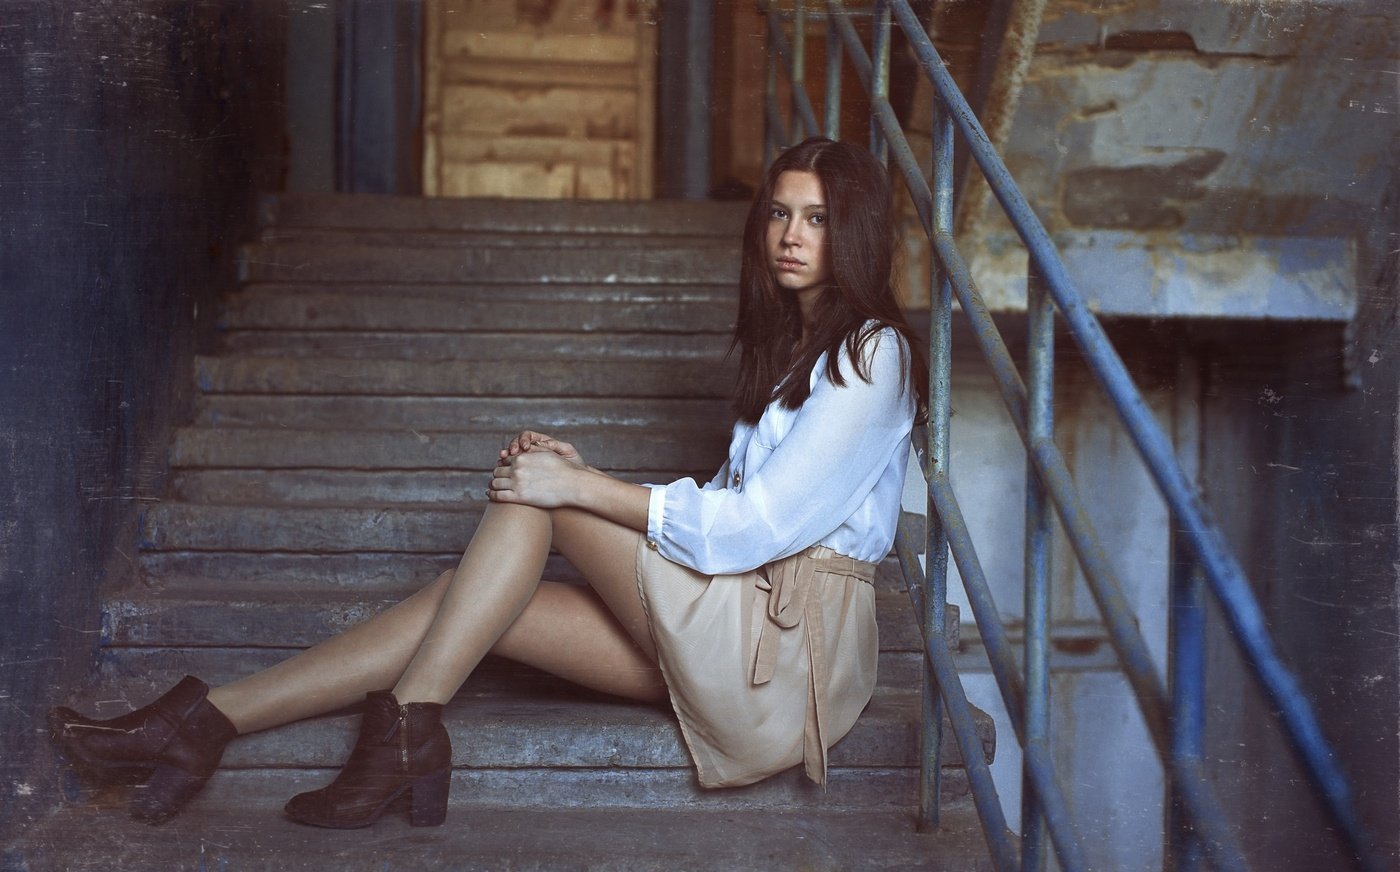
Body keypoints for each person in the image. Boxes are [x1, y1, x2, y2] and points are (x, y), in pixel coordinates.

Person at [48, 136, 928, 829]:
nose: (789, 235)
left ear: (852, 231)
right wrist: (575, 477)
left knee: (535, 495)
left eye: (816, 219)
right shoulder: (794, 352)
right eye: (779, 213)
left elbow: (751, 526)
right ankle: (206, 724)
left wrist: (576, 485)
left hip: (780, 662)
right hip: (734, 629)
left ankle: (404, 730)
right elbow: (736, 515)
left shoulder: (872, 354)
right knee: (464, 594)